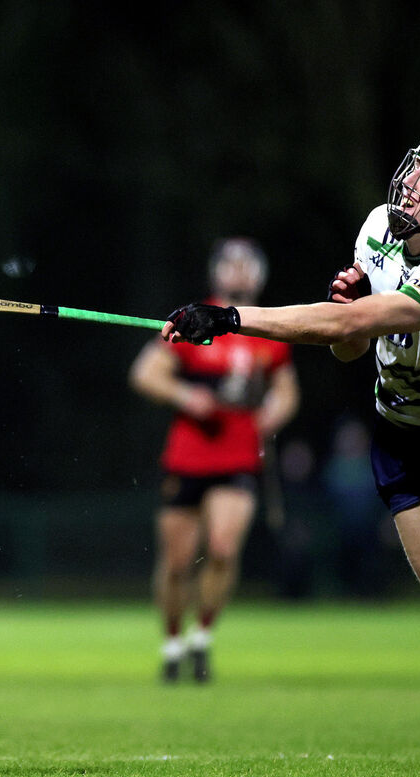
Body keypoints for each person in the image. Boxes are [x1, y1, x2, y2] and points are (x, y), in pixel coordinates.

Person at [162, 135, 420, 773]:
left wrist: (231, 317)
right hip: (398, 430)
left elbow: (346, 328)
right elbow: (350, 345)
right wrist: (349, 305)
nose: (408, 183)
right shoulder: (380, 228)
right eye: (412, 168)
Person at [130, 238, 299, 683]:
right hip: (187, 453)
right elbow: (146, 372)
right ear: (217, 272)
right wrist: (186, 395)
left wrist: (272, 414)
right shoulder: (194, 319)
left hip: (240, 454)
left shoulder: (268, 329)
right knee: (177, 561)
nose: (240, 273)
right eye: (232, 265)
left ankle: (202, 637)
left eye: (249, 266)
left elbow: (286, 392)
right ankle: (171, 642)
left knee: (223, 549)